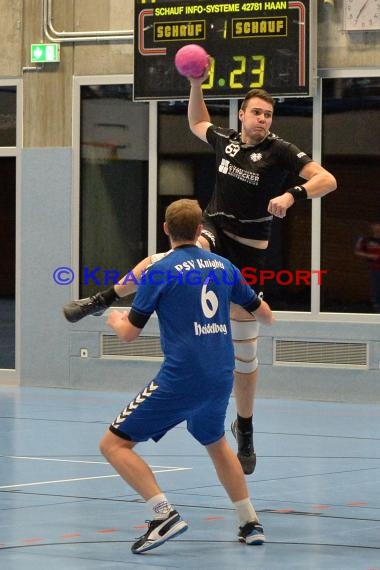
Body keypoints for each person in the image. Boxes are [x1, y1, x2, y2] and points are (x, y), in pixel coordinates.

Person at [64, 81, 337, 475]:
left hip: (248, 253)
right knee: (166, 259)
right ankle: (102, 298)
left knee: (245, 355)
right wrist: (193, 84)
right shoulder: (225, 141)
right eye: (256, 112)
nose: (262, 119)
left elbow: (327, 180)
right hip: (211, 232)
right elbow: (198, 120)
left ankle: (244, 426)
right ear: (241, 114)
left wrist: (293, 194)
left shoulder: (279, 151)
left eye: (268, 115)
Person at [99, 199, 274, 554]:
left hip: (182, 378)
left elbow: (130, 333)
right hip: (221, 374)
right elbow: (264, 314)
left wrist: (115, 320)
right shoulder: (225, 266)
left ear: (166, 230)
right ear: (200, 231)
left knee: (114, 444)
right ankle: (250, 522)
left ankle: (163, 515)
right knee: (214, 441)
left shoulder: (160, 271)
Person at [355, 222, 380, 312]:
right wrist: (370, 256)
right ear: (372, 227)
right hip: (375, 269)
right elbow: (358, 252)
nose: (377, 228)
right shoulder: (366, 240)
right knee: (377, 288)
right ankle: (377, 307)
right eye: (376, 225)